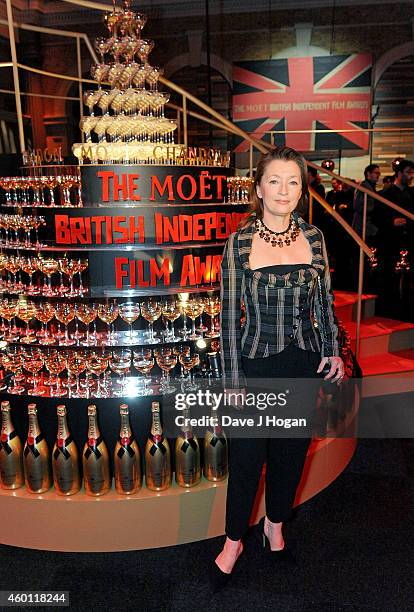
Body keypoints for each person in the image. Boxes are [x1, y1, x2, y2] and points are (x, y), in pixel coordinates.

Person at [213, 146, 344, 591]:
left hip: (302, 362)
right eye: (274, 181)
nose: (284, 190)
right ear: (258, 188)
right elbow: (229, 317)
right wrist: (231, 380)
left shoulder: (315, 238)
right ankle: (233, 540)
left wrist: (333, 349)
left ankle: (274, 524)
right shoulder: (240, 242)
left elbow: (324, 302)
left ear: (302, 190)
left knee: (290, 454)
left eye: (292, 181)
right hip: (254, 365)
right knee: (248, 458)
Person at [352, 164, 381, 239]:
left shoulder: (370, 186)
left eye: (379, 173)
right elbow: (357, 205)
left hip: (367, 225)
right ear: (368, 173)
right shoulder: (364, 187)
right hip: (363, 225)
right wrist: (373, 208)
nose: (378, 175)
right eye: (376, 173)